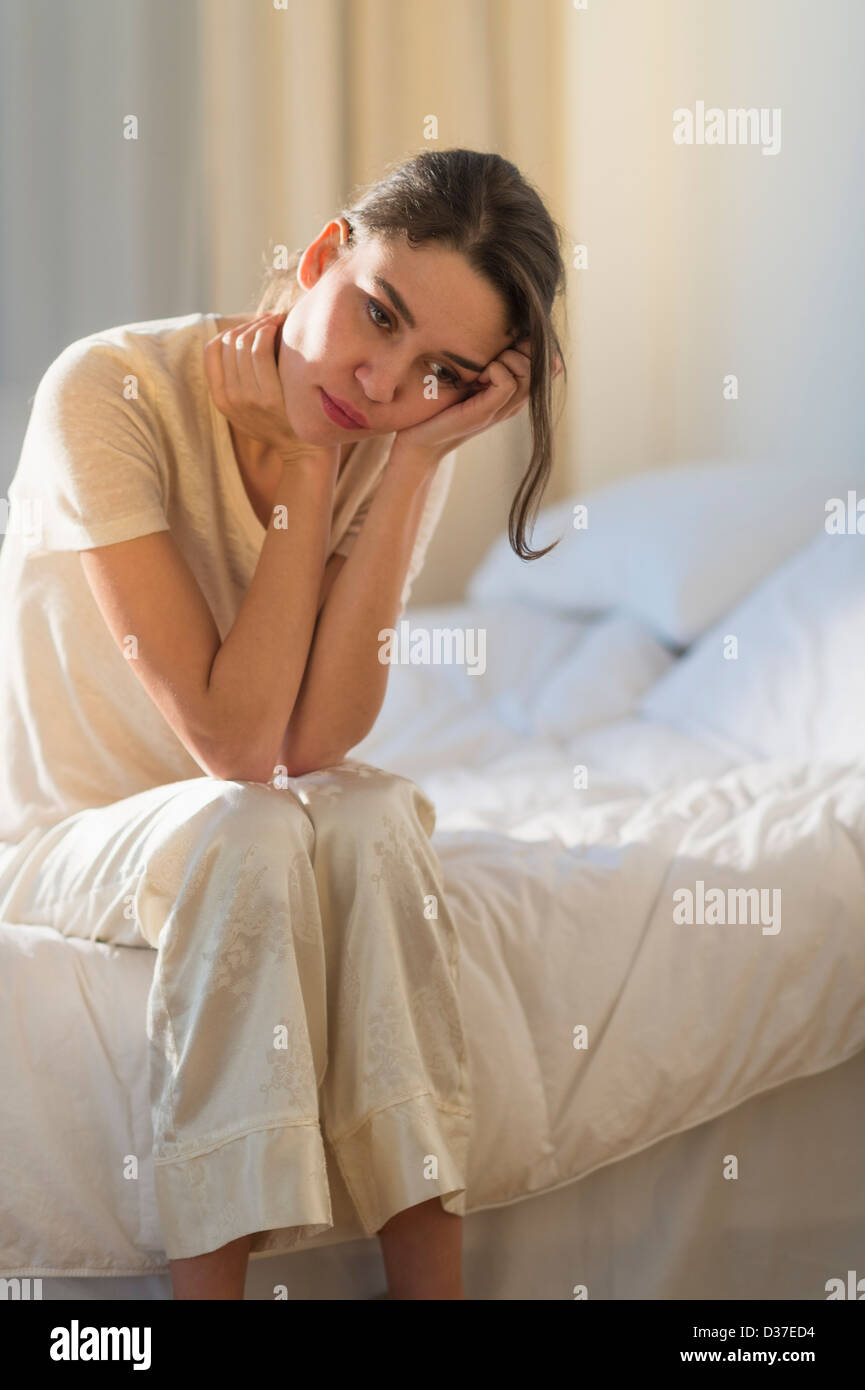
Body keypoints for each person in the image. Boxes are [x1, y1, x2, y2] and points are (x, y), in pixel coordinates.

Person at [0, 148, 566, 1299]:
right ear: (321, 254)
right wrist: (305, 474)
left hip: (225, 823)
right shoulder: (105, 393)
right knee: (249, 826)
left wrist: (405, 468)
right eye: (376, 312)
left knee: (368, 814)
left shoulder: (391, 434)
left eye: (439, 372)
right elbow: (237, 743)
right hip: (65, 839)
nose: (380, 379)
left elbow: (316, 747)